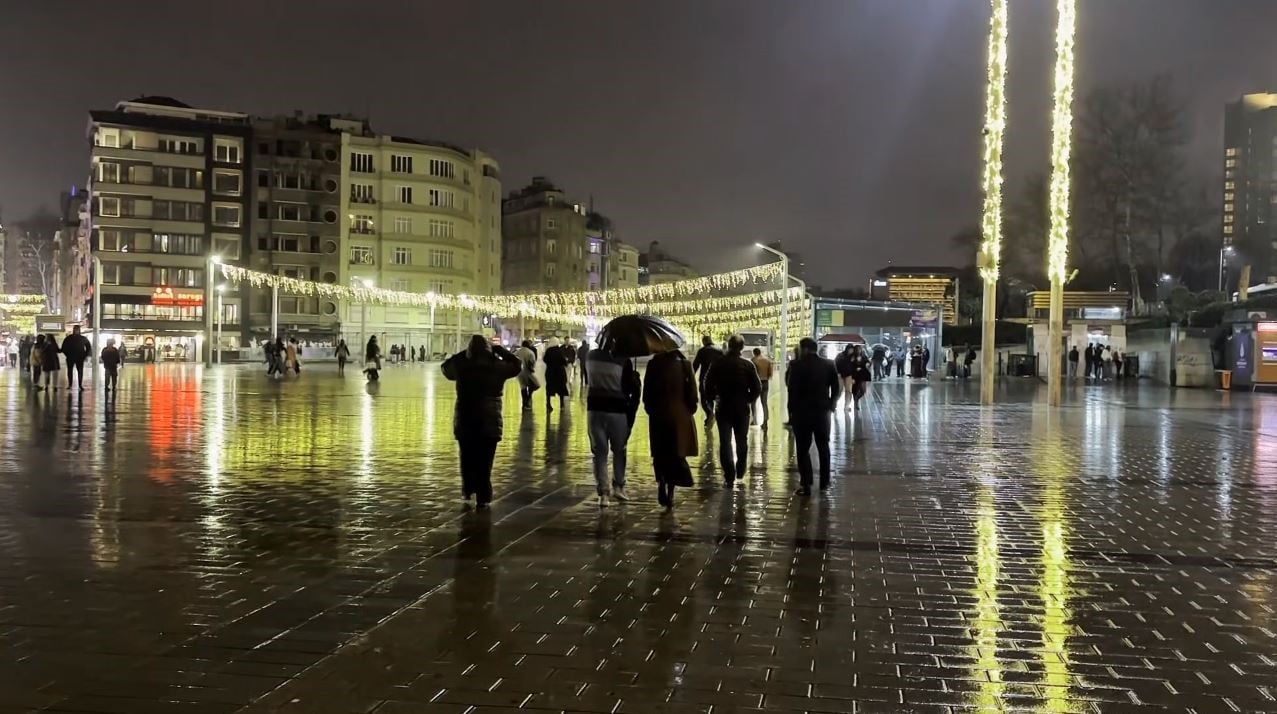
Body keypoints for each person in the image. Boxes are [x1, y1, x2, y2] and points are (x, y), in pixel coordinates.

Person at [442, 335, 522, 508]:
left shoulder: (462, 366)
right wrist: (500, 350)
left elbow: (445, 368)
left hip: (465, 417)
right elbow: (517, 366)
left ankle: (468, 488)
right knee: (485, 459)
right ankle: (484, 495)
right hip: (490, 418)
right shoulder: (496, 366)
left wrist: (465, 354)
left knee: (467, 456)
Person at [586, 336, 641, 506]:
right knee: (619, 449)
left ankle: (603, 493)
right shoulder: (623, 360)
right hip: (617, 410)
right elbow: (628, 388)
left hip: (594, 409)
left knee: (600, 453)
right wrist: (635, 378)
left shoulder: (590, 356)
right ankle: (619, 486)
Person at [644, 348, 697, 512]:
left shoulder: (653, 364)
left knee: (660, 452)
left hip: (658, 414)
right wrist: (690, 410)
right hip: (679, 414)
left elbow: (647, 392)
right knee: (675, 452)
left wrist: (651, 409)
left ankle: (661, 484)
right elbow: (693, 393)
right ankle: (671, 492)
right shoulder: (684, 364)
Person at [704, 335, 761, 487]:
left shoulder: (718, 363)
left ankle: (729, 473)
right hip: (742, 407)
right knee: (741, 439)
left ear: (729, 346)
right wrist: (749, 399)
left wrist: (711, 401)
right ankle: (740, 468)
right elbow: (757, 387)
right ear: (742, 348)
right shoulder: (747, 365)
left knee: (725, 440)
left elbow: (707, 384)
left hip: (723, 405)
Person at [787, 337, 841, 496]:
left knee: (803, 449)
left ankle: (807, 483)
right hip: (821, 413)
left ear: (803, 349)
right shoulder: (829, 364)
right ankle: (824, 482)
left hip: (801, 414)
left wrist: (790, 412)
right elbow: (836, 388)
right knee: (823, 447)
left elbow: (792, 391)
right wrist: (831, 404)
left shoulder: (796, 366)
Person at [692, 336, 724, 424]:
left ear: (704, 342)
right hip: (718, 379)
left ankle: (709, 413)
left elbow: (696, 365)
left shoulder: (702, 351)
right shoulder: (719, 350)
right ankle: (717, 416)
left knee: (704, 399)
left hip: (704, 378)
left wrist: (691, 377)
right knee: (717, 397)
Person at [542, 337, 570, 413]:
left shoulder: (548, 351)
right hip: (559, 373)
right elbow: (564, 361)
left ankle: (548, 404)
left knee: (549, 388)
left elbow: (545, 359)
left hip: (550, 372)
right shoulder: (559, 351)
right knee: (561, 388)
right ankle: (561, 404)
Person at [61, 325, 91, 391]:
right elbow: (88, 347)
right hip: (77, 357)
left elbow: (63, 348)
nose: (76, 331)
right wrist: (84, 355)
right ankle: (74, 385)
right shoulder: (82, 338)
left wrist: (84, 355)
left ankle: (75, 385)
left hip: (75, 357)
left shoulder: (69, 338)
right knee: (74, 371)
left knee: (75, 371)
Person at [750, 347, 773, 427]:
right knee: (764, 402)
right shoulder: (767, 361)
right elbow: (770, 374)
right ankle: (765, 420)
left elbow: (751, 373)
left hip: (756, 383)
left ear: (754, 353)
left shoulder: (753, 360)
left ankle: (754, 420)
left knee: (753, 402)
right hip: (765, 382)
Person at [515, 340, 538, 409]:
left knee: (523, 387)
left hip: (519, 372)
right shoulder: (530, 352)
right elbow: (533, 362)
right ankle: (528, 399)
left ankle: (524, 403)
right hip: (527, 371)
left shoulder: (517, 352)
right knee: (534, 385)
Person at [834, 345, 855, 409]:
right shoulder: (840, 355)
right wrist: (837, 373)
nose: (851, 351)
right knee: (839, 390)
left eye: (852, 350)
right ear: (847, 349)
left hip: (849, 375)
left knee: (849, 391)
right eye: (850, 349)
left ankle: (847, 405)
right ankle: (834, 402)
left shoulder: (854, 357)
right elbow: (835, 364)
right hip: (840, 375)